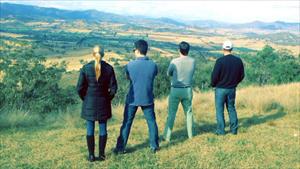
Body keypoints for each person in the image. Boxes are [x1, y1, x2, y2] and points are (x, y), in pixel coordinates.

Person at [114, 39, 159, 154]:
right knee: (151, 122)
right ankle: (154, 146)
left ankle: (120, 148)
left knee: (127, 123)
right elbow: (153, 76)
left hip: (132, 98)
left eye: (134, 50)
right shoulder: (153, 65)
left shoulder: (130, 65)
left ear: (138, 51)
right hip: (148, 97)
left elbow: (129, 78)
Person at [76, 45, 118, 162]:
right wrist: (108, 98)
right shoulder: (109, 68)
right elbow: (114, 88)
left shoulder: (86, 68)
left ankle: (91, 155)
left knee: (90, 129)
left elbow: (79, 88)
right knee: (103, 128)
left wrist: (85, 98)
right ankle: (102, 155)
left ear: (92, 54)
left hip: (89, 102)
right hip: (103, 102)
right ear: (103, 54)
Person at [163, 41, 196, 142]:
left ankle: (167, 137)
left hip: (175, 90)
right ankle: (190, 136)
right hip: (188, 90)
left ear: (179, 50)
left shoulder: (174, 61)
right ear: (188, 50)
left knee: (172, 113)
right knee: (189, 113)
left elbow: (168, 73)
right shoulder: (193, 61)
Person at [211, 40, 244, 135]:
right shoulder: (238, 60)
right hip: (232, 89)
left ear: (223, 48)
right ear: (232, 49)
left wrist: (213, 84)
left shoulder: (220, 61)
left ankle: (221, 131)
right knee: (231, 108)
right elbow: (242, 75)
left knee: (219, 110)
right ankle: (234, 130)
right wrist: (235, 83)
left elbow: (214, 76)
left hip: (220, 89)